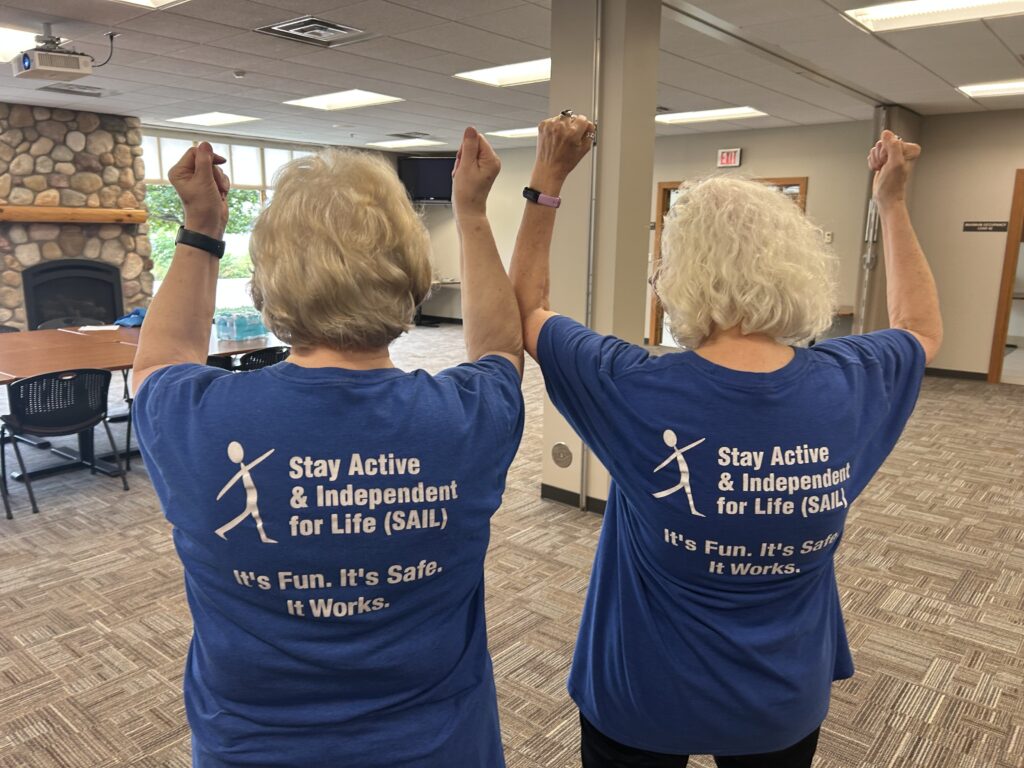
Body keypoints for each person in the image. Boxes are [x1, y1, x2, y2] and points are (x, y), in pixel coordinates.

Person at [508, 118, 941, 767]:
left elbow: (525, 308)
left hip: (641, 699)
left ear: (677, 271)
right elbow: (920, 327)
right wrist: (892, 202)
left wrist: (548, 179)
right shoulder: (850, 385)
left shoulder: (632, 386)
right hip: (779, 704)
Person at [131, 131, 524, 767]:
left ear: (264, 289)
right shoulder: (465, 418)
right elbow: (503, 349)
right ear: (416, 283)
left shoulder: (193, 419)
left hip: (250, 749)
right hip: (439, 746)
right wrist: (472, 215)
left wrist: (203, 226)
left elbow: (161, 357)